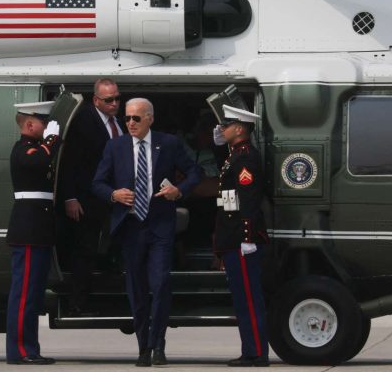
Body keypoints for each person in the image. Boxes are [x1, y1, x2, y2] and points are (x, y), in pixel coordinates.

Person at [92, 98, 201, 366]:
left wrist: (179, 190)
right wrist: (114, 194)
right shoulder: (115, 146)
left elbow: (195, 172)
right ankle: (143, 347)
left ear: (150, 119)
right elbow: (97, 183)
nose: (130, 123)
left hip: (159, 225)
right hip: (131, 227)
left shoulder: (168, 143)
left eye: (136, 118)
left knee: (160, 283)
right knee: (137, 288)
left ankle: (158, 344)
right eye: (127, 118)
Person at [60, 78, 123, 316]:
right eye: (109, 100)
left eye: (117, 98)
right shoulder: (84, 122)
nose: (114, 103)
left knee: (112, 244)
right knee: (84, 249)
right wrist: (70, 197)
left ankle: (110, 293)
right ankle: (78, 302)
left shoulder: (118, 122)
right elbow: (69, 162)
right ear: (96, 100)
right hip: (87, 197)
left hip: (112, 197)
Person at [213, 104, 270, 367]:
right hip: (233, 237)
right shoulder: (235, 155)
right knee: (241, 298)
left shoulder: (245, 157)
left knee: (249, 297)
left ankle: (257, 353)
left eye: (226, 126)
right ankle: (250, 350)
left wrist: (247, 238)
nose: (222, 130)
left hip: (242, 239)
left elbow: (248, 200)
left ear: (239, 129)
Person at [5, 101, 60, 365]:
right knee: (24, 294)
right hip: (28, 230)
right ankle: (20, 351)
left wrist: (50, 141)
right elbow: (40, 160)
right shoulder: (24, 150)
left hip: (38, 230)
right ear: (29, 124)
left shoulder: (36, 148)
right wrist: (51, 140)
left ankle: (30, 349)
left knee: (33, 295)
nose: (46, 127)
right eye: (42, 122)